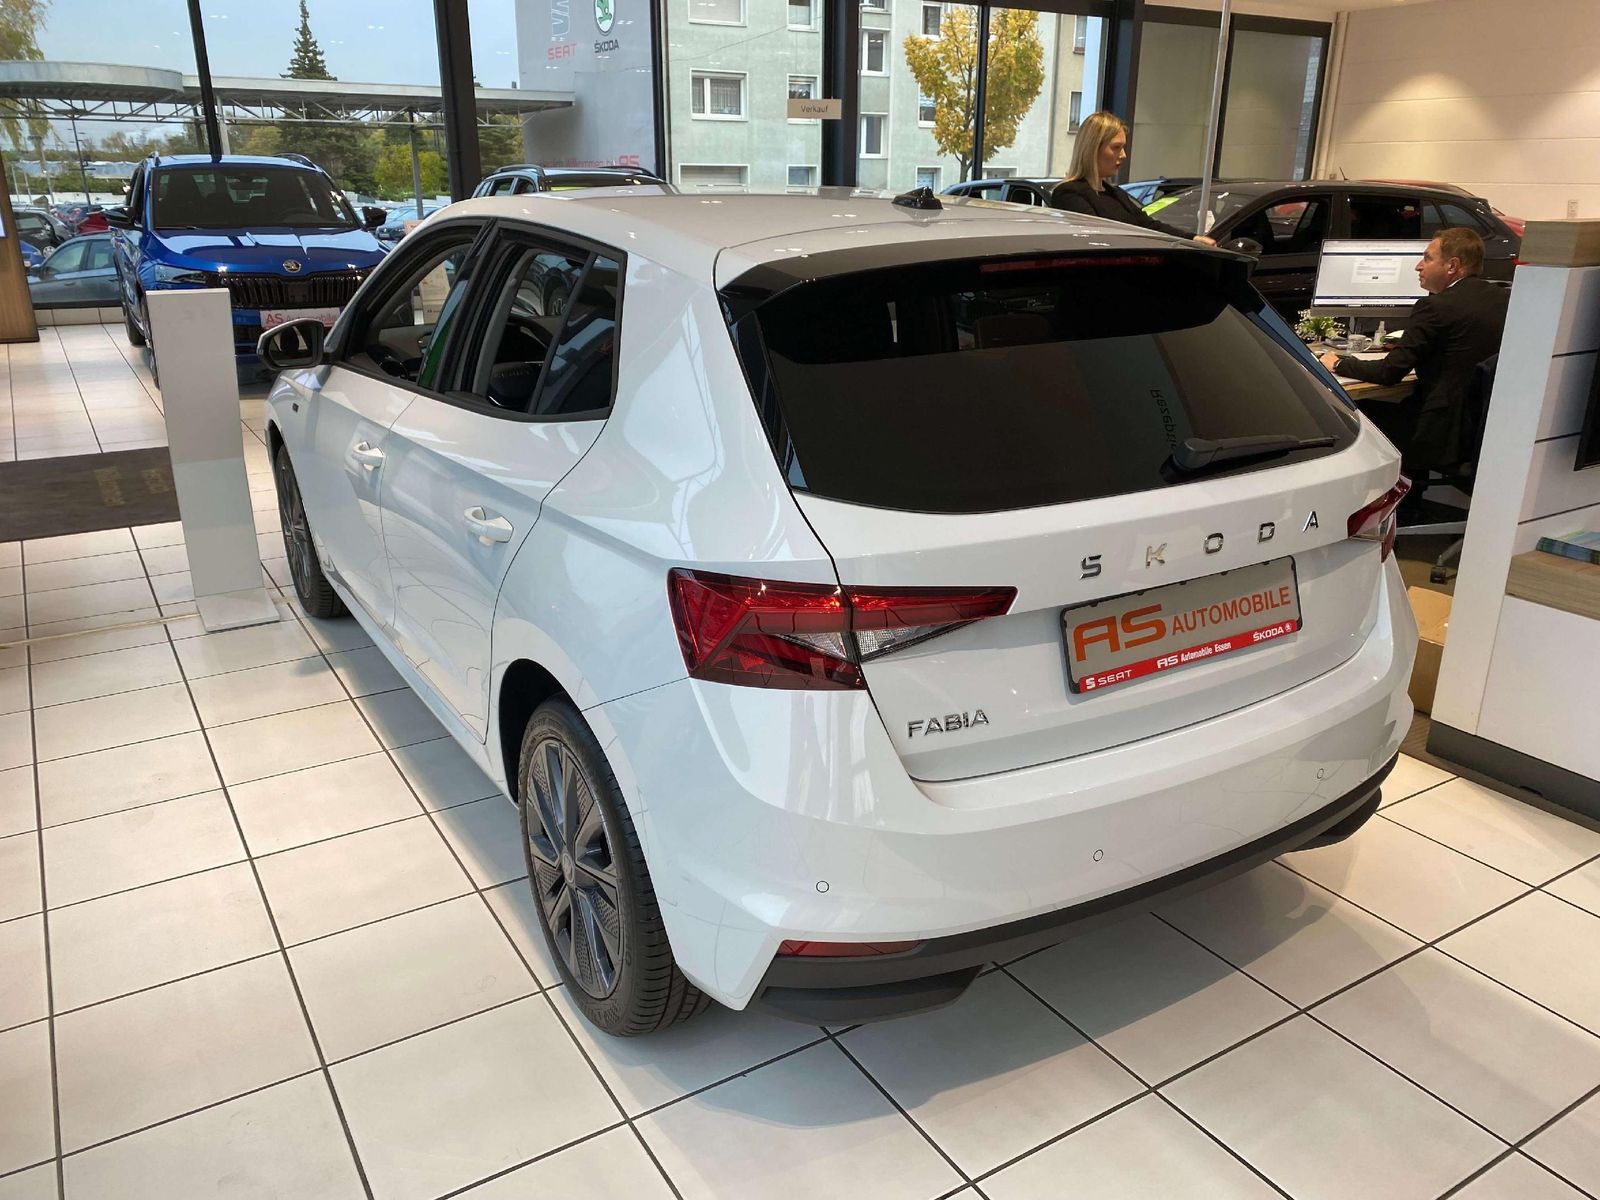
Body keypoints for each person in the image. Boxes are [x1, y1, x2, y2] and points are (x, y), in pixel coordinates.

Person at [1319, 227, 1509, 484]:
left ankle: (1385, 496)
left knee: (1351, 413)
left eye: (1427, 258)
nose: (1418, 266)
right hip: (1480, 430)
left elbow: (1388, 373)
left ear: (1452, 266)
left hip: (1437, 433)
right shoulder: (1504, 299)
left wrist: (1339, 363)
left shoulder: (1436, 307)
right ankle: (1414, 495)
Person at [1050, 111, 1216, 245]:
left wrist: (1192, 238)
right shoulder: (1069, 193)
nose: (1123, 155)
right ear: (1092, 149)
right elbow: (1096, 240)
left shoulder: (1115, 193)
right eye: (1116, 147)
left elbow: (1149, 225)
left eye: (1123, 147)